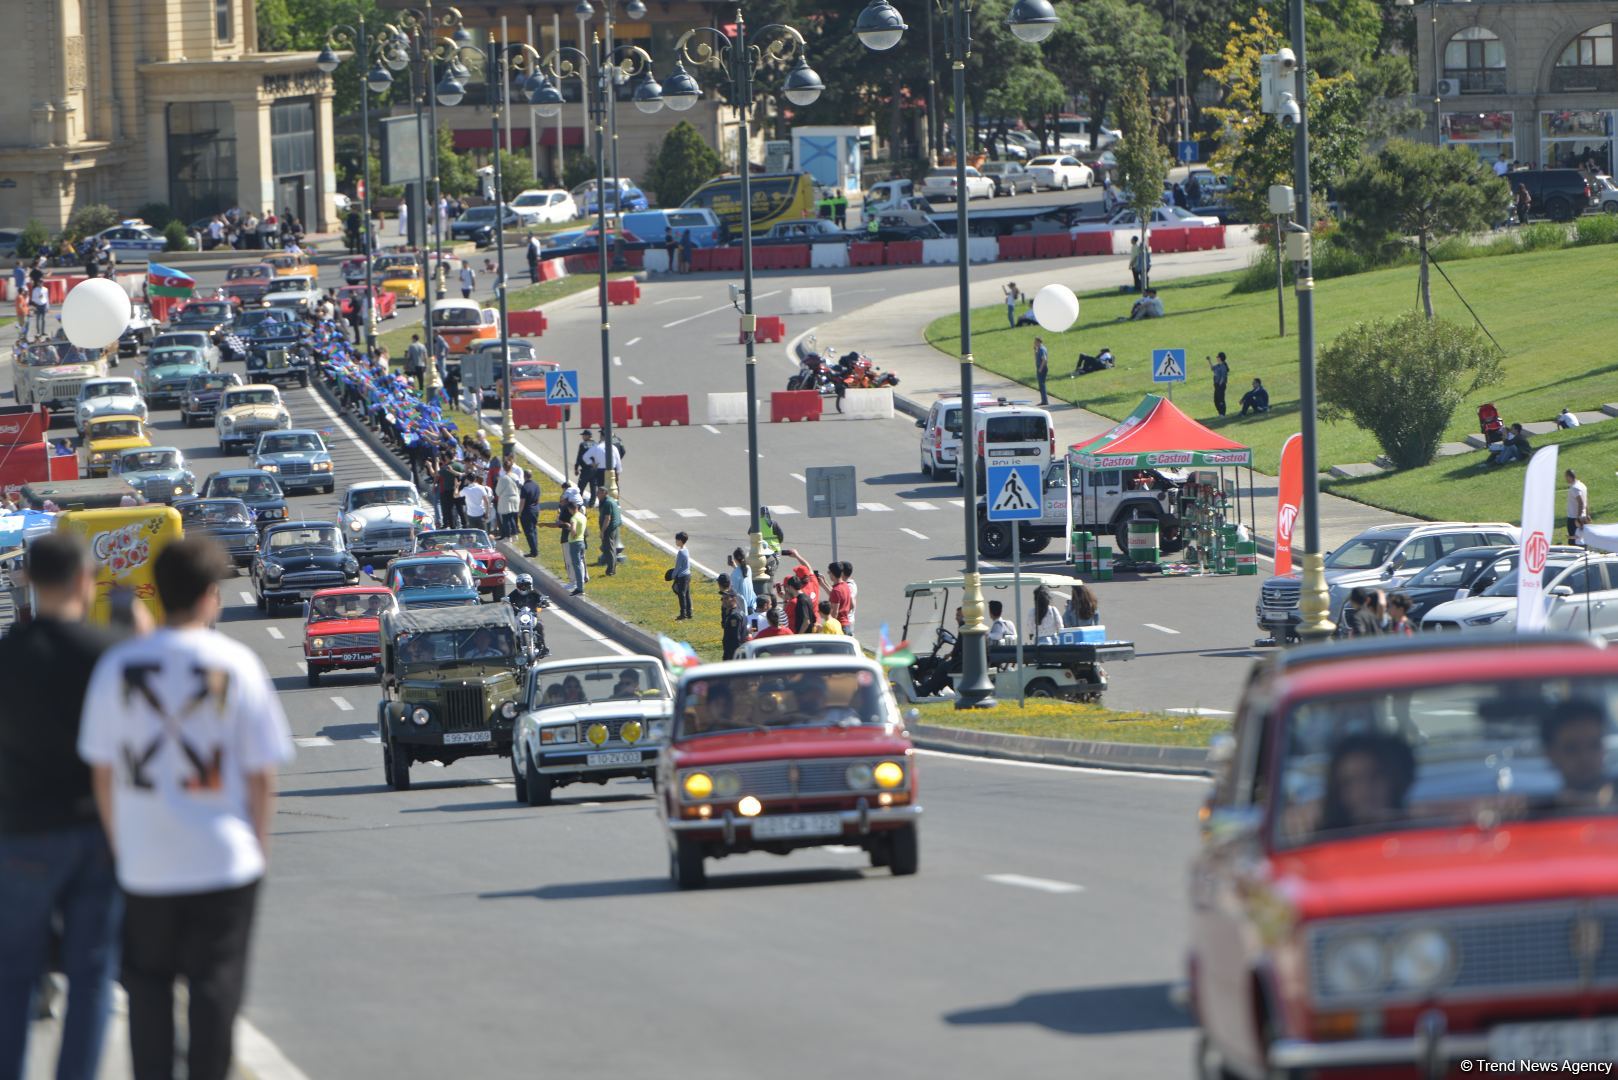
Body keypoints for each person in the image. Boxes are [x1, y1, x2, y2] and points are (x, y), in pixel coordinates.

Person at [78, 538, 293, 1080]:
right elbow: (261, 776)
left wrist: (120, 843)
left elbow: (102, 770)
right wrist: (258, 848)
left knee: (148, 989)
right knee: (215, 991)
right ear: (210, 597)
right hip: (224, 859)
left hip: (145, 861)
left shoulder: (118, 666)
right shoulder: (237, 664)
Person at [0, 534, 124, 1080]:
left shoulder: (7, 657)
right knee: (92, 972)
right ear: (84, 580)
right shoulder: (107, 655)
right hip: (95, 831)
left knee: (14, 974)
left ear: (26, 582)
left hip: (21, 831)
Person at [1318, 732, 1415, 833]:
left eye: (1374, 777)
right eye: (1350, 782)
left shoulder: (1420, 831)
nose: (1364, 791)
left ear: (1395, 781)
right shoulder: (1324, 841)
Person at [1540, 700, 1611, 803]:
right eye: (1571, 749)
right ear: (1551, 755)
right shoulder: (1538, 811)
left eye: (1594, 745)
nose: (1585, 757)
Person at [564, 499, 589, 596]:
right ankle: (581, 583)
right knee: (581, 563)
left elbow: (573, 530)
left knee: (577, 565)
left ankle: (579, 588)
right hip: (582, 541)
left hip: (575, 542)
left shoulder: (573, 518)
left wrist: (571, 530)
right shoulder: (583, 516)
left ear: (571, 509)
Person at [495, 458, 522, 540]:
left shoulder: (503, 478)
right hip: (515, 498)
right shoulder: (516, 476)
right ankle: (515, 534)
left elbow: (497, 491)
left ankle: (508, 536)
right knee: (512, 517)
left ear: (503, 468)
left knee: (506, 518)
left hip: (506, 500)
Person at [597, 490, 621, 576]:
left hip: (609, 529)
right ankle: (612, 568)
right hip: (611, 528)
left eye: (599, 493)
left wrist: (602, 531)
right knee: (609, 548)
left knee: (609, 549)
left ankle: (611, 570)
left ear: (604, 493)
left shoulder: (607, 503)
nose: (597, 495)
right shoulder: (606, 501)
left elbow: (607, 518)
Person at [519, 471, 542, 557]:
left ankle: (534, 551)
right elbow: (538, 498)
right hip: (535, 509)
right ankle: (535, 548)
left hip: (527, 511)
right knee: (534, 530)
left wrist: (519, 512)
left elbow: (522, 502)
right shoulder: (536, 485)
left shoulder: (525, 487)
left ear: (524, 476)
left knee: (529, 532)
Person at [721, 591, 748, 660]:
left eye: (726, 598)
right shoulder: (738, 612)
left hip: (733, 654)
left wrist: (733, 656)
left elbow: (736, 638)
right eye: (722, 599)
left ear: (734, 599)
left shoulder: (734, 616)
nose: (723, 601)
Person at [671, 531, 693, 620]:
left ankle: (683, 614)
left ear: (680, 541)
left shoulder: (680, 552)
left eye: (676, 540)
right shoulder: (686, 550)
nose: (675, 541)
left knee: (681, 595)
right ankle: (689, 613)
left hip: (682, 577)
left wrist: (673, 575)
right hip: (688, 575)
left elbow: (677, 567)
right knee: (687, 594)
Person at [1566, 468, 1589, 545]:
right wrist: (1587, 514)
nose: (1565, 479)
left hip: (1574, 518)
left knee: (1573, 540)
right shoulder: (1582, 485)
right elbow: (1586, 501)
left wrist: (1578, 518)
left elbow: (1581, 502)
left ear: (1569, 477)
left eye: (1566, 477)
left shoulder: (1574, 488)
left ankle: (1574, 555)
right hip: (1583, 516)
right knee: (1582, 538)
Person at [574, 430, 597, 506]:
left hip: (586, 470)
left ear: (588, 436)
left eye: (584, 435)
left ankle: (578, 503)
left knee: (580, 487)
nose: (582, 437)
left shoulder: (583, 444)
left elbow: (579, 457)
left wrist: (576, 467)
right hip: (595, 469)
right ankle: (592, 503)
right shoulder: (596, 444)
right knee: (593, 487)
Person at [1208, 352, 1230, 417]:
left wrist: (1220, 384)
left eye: (1217, 357)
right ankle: (1220, 412)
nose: (1217, 358)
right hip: (1216, 385)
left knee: (1221, 399)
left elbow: (1223, 376)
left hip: (1221, 385)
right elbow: (1212, 368)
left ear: (1220, 358)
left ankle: (1222, 413)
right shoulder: (1217, 366)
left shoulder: (1223, 366)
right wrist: (1209, 361)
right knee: (1216, 400)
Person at [1033, 337, 1049, 406]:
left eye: (1035, 342)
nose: (1034, 343)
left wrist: (1040, 369)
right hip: (1040, 368)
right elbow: (1036, 357)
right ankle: (1043, 400)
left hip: (1042, 369)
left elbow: (1044, 360)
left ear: (1039, 342)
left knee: (1042, 385)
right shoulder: (1039, 349)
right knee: (1041, 385)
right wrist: (1035, 351)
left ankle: (1045, 401)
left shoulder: (1042, 349)